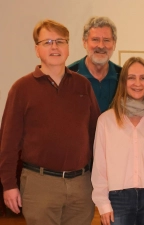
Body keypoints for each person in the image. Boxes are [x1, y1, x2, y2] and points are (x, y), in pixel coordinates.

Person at [0, 20, 100, 225]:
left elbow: (96, 136)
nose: (54, 47)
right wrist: (8, 185)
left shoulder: (83, 86)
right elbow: (8, 143)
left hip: (81, 185)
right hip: (40, 184)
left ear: (68, 48)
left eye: (60, 41)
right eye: (47, 42)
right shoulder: (21, 89)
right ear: (37, 50)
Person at [91, 57, 144, 225]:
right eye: (131, 77)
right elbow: (100, 166)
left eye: (143, 78)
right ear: (123, 82)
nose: (137, 83)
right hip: (117, 200)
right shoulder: (106, 120)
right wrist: (103, 203)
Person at [68, 16, 121, 112]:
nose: (101, 46)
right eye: (95, 39)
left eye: (106, 40)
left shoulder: (123, 77)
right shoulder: (68, 76)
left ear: (114, 44)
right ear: (84, 42)